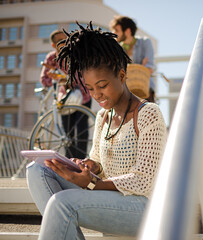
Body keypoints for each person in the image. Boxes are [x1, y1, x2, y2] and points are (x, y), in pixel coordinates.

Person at [26, 22, 167, 239]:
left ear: (121, 76)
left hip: (144, 207)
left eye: (102, 86)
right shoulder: (103, 116)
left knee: (62, 203)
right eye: (91, 88)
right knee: (37, 171)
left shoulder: (148, 113)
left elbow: (145, 181)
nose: (97, 95)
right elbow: (98, 162)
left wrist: (93, 183)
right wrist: (89, 166)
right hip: (108, 196)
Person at [40, 29, 92, 159]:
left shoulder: (78, 54)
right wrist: (58, 78)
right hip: (64, 99)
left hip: (84, 96)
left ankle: (81, 163)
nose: (65, 42)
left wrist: (63, 77)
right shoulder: (51, 58)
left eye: (67, 39)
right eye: (60, 41)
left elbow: (82, 75)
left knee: (82, 131)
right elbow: (44, 79)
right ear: (53, 45)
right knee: (66, 133)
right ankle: (70, 162)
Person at [110, 16, 156, 102]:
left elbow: (149, 68)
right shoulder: (117, 48)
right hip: (125, 92)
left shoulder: (145, 42)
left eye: (116, 30)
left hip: (145, 90)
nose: (113, 33)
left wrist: (126, 69)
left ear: (127, 31)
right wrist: (141, 67)